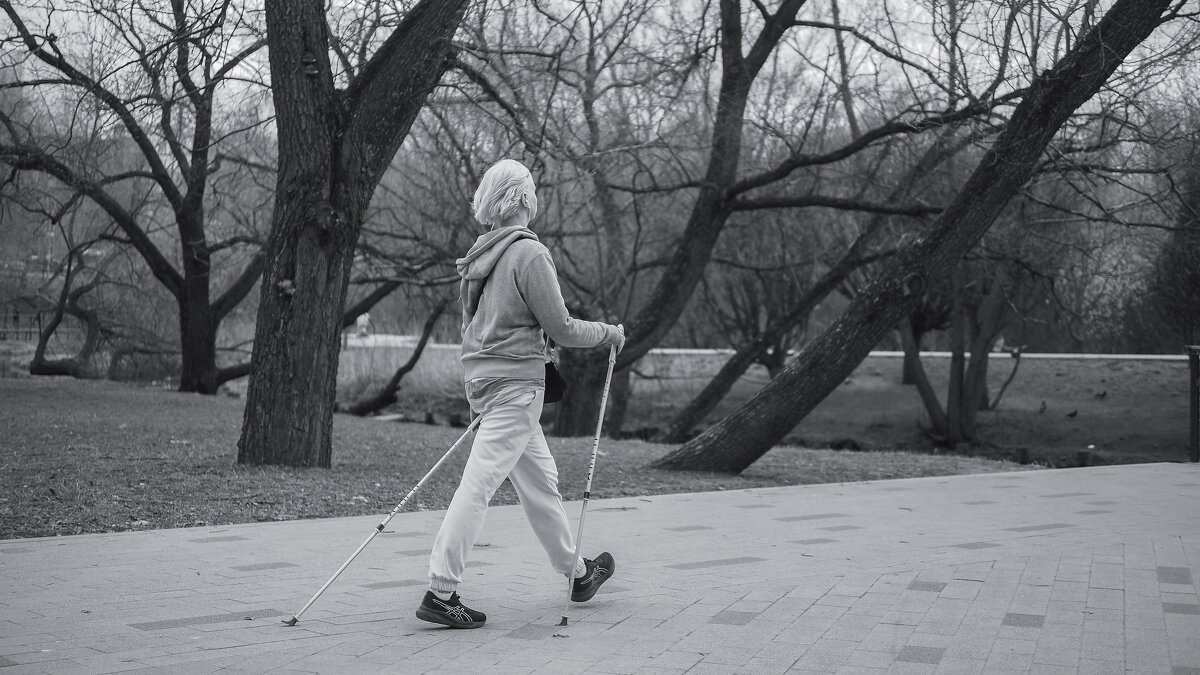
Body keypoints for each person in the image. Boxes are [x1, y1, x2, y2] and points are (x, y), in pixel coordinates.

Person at [416, 159, 625, 629]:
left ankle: (578, 573)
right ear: (525, 198)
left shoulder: (479, 255)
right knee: (480, 483)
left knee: (540, 482)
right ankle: (441, 590)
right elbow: (563, 328)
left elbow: (470, 326)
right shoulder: (529, 255)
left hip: (486, 383)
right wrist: (609, 334)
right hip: (516, 385)